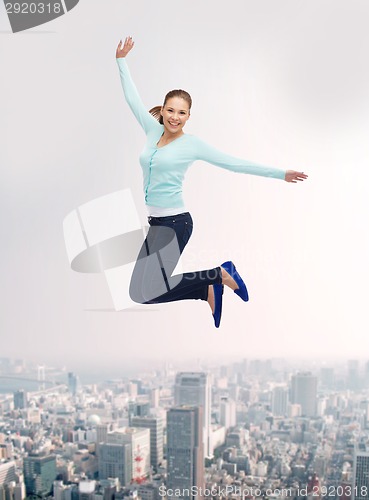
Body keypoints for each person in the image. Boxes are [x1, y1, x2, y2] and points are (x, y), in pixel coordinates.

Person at [116, 36, 308, 328]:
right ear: (163, 110)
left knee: (149, 290)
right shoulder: (151, 131)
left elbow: (234, 163)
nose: (174, 117)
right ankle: (207, 287)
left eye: (181, 112)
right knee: (138, 293)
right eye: (170, 110)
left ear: (188, 116)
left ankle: (218, 275)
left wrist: (280, 173)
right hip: (157, 224)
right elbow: (132, 99)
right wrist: (121, 61)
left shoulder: (192, 145)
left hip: (175, 223)